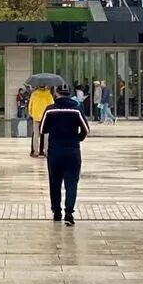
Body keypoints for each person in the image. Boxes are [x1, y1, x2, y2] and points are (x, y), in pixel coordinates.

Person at [37, 82, 88, 224]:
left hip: (55, 152)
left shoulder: (50, 110)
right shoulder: (77, 109)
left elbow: (42, 130)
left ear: (56, 94)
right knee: (71, 183)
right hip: (72, 151)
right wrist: (78, 139)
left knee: (55, 182)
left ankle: (57, 212)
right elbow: (86, 130)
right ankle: (69, 213)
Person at [26, 82, 48, 156]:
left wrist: (31, 114)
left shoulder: (34, 94)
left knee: (36, 134)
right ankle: (46, 151)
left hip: (36, 116)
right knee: (46, 134)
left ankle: (35, 152)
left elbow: (30, 105)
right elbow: (52, 104)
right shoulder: (48, 94)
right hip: (46, 117)